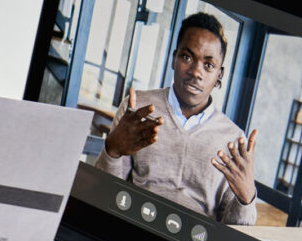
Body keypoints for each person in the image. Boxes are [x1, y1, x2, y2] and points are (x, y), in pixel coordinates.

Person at [95, 12, 259, 225]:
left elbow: (233, 233)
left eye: (209, 65)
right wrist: (113, 150)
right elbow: (105, 193)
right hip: (133, 226)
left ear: (220, 75)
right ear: (174, 59)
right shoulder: (137, 108)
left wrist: (246, 198)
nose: (196, 72)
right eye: (187, 57)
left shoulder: (233, 139)